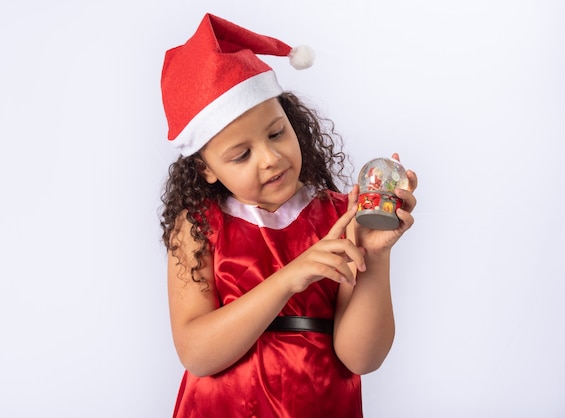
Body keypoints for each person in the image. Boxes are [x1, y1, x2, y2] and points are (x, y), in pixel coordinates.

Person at [159, 13, 417, 418]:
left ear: (292, 121)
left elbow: (361, 359)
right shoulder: (198, 225)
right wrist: (287, 279)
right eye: (241, 155)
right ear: (206, 169)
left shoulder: (340, 217)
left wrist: (375, 255)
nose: (271, 158)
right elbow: (197, 354)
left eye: (277, 133)